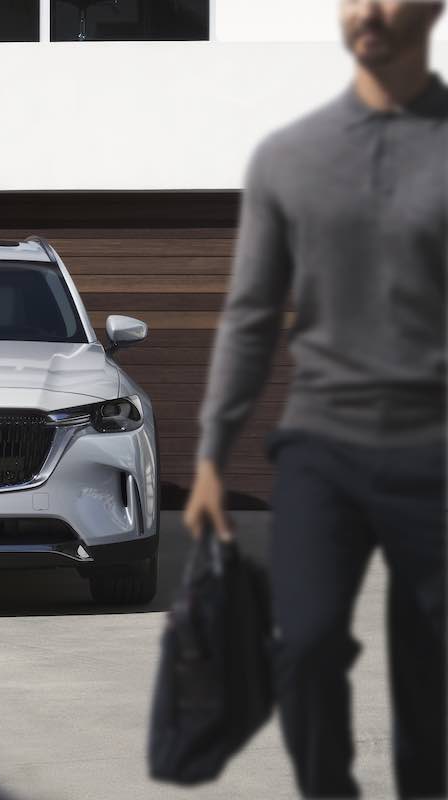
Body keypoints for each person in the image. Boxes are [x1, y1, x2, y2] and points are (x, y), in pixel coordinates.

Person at [183, 1, 447, 797]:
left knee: (432, 668)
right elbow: (251, 315)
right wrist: (211, 454)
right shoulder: (291, 157)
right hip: (322, 446)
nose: (367, 11)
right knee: (304, 644)